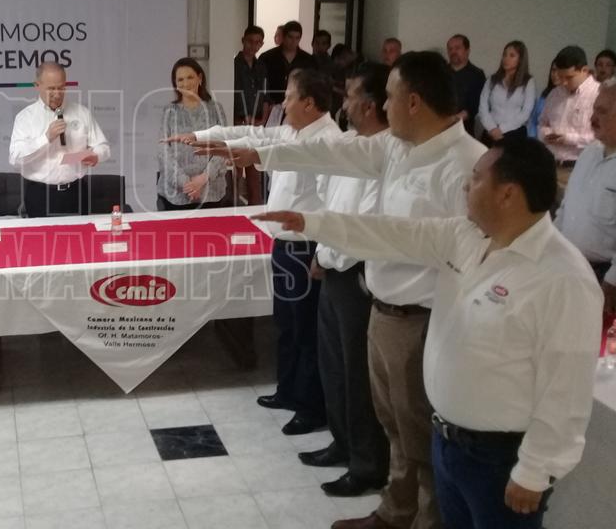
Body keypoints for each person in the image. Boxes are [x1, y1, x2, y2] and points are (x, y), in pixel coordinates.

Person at [254, 137, 601, 529]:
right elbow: (394, 233)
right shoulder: (466, 238)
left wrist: (535, 470)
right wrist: (312, 223)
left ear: (508, 194)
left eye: (476, 178)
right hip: (448, 441)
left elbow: (566, 389)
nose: (466, 186)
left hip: (501, 459)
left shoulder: (563, 277)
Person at [205, 51, 486, 529]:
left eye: (390, 97)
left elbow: (416, 240)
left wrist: (314, 224)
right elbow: (332, 153)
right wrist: (261, 155)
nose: (381, 107)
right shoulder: (397, 146)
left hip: (425, 319)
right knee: (393, 425)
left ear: (414, 102)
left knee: (419, 433)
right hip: (384, 306)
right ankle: (395, 512)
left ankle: (426, 519)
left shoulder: (468, 164)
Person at [177, 69, 342, 435]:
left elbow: (333, 206)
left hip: (306, 249)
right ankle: (288, 390)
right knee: (286, 324)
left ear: (309, 103)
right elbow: (251, 135)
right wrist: (202, 137)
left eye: (289, 97)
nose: (283, 103)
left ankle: (311, 407)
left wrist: (323, 254)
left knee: (307, 331)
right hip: (283, 244)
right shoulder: (292, 131)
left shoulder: (328, 141)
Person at [301, 63, 391, 498]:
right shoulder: (349, 145)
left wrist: (333, 256)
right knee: (333, 365)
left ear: (370, 105)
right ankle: (341, 442)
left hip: (357, 273)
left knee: (358, 375)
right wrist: (321, 253)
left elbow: (366, 223)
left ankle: (367, 463)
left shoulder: (384, 153)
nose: (345, 103)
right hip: (332, 266)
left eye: (351, 95)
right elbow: (331, 206)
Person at [9, 62, 110, 217]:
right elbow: (15, 159)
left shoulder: (82, 113)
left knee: (81, 233)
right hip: (40, 195)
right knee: (42, 234)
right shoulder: (25, 118)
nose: (57, 94)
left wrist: (96, 155)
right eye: (51, 88)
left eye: (61, 87)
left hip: (76, 192)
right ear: (37, 85)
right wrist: (46, 138)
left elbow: (103, 147)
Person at [556, 80, 616, 307]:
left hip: (602, 276)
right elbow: (566, 207)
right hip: (566, 264)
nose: (593, 117)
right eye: (594, 109)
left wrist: (612, 282)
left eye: (602, 111)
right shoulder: (590, 152)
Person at [157, 58, 228, 210]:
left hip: (211, 191)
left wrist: (202, 179)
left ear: (200, 78)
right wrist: (187, 184)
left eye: (190, 77)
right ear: (175, 83)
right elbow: (163, 152)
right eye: (180, 79)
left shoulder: (216, 109)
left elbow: (224, 147)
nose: (186, 83)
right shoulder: (169, 111)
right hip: (176, 194)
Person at [538, 45, 600, 192]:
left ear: (584, 70)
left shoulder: (599, 94)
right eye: (561, 77)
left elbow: (602, 138)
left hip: (578, 169)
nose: (564, 82)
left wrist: (569, 138)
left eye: (569, 77)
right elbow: (541, 122)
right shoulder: (555, 93)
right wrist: (545, 134)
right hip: (550, 165)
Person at [477, 41, 536, 146]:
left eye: (512, 55)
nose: (506, 59)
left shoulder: (528, 82)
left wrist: (502, 129)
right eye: (504, 55)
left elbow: (526, 112)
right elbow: (483, 107)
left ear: (520, 59)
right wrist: (492, 128)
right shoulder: (492, 79)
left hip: (514, 132)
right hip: (490, 131)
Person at [234, 26, 268, 204]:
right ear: (243, 40)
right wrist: (241, 118)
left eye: (257, 42)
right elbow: (233, 94)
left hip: (257, 123)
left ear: (261, 44)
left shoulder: (261, 66)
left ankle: (255, 210)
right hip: (237, 122)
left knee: (255, 170)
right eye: (250, 41)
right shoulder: (234, 64)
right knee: (236, 170)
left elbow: (265, 95)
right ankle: (233, 208)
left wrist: (263, 119)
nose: (253, 46)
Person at [259, 20, 315, 112]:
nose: (293, 41)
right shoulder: (267, 57)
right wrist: (266, 103)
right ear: (284, 36)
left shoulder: (308, 60)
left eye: (297, 38)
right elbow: (261, 84)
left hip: (298, 107)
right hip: (272, 106)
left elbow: (312, 86)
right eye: (290, 37)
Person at [446, 34, 486, 135]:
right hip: (440, 129)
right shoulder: (440, 72)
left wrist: (455, 119)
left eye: (457, 48)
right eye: (450, 49)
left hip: (464, 130)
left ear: (467, 50)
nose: (453, 52)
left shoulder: (477, 74)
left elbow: (476, 105)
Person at [527, 64, 560, 138]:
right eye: (553, 70)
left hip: (554, 140)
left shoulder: (568, 99)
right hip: (537, 140)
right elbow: (534, 121)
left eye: (559, 71)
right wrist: (532, 139)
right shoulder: (545, 94)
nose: (555, 74)